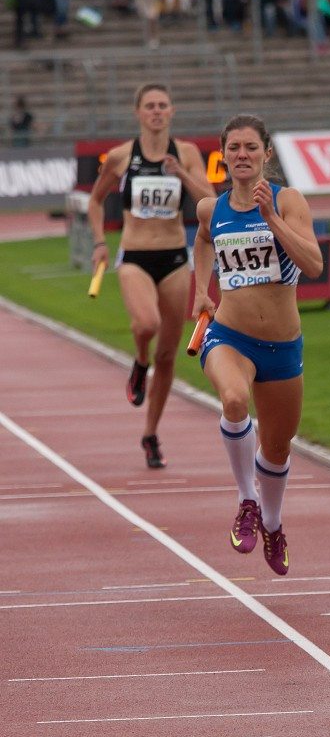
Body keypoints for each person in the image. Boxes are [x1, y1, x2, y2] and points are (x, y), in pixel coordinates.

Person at [191, 115, 323, 575]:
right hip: (228, 334)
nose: (242, 155)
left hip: (282, 346)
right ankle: (247, 500)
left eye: (251, 147)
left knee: (279, 446)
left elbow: (314, 264)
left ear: (267, 154)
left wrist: (271, 219)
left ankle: (272, 522)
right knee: (232, 399)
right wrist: (201, 287)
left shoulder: (288, 201)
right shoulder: (212, 208)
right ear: (223, 156)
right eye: (234, 148)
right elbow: (203, 240)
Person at [87, 82, 216, 468]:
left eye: (163, 105)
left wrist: (181, 174)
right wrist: (98, 242)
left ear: (172, 111)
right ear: (138, 113)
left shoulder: (187, 153)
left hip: (175, 259)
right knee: (146, 324)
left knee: (169, 353)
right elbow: (94, 201)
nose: (157, 111)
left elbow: (208, 202)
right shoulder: (122, 157)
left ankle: (151, 434)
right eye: (150, 106)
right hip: (135, 258)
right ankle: (140, 362)